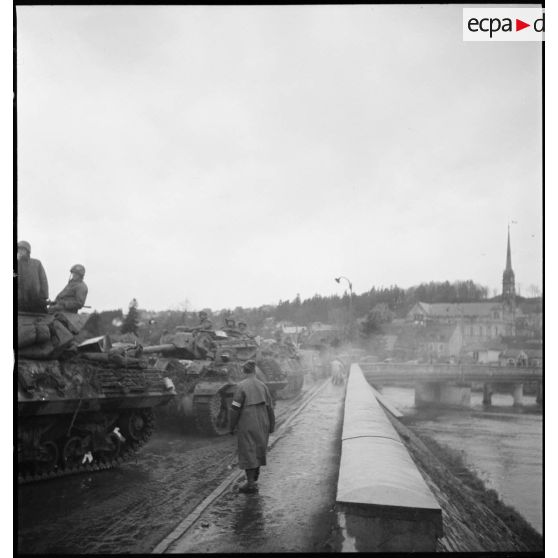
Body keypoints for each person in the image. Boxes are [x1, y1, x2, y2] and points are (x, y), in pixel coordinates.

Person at [230, 360, 275, 494]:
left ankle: (250, 484)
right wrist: (272, 425)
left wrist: (231, 426)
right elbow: (270, 408)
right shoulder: (263, 386)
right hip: (263, 421)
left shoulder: (241, 386)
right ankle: (254, 478)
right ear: (255, 371)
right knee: (258, 448)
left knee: (248, 450)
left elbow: (235, 408)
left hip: (247, 421)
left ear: (244, 371)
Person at [17, 240, 49, 313]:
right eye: (18, 249)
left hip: (35, 299)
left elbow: (43, 280)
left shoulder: (36, 263)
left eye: (22, 249)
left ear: (27, 251)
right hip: (20, 300)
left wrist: (44, 296)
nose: (20, 251)